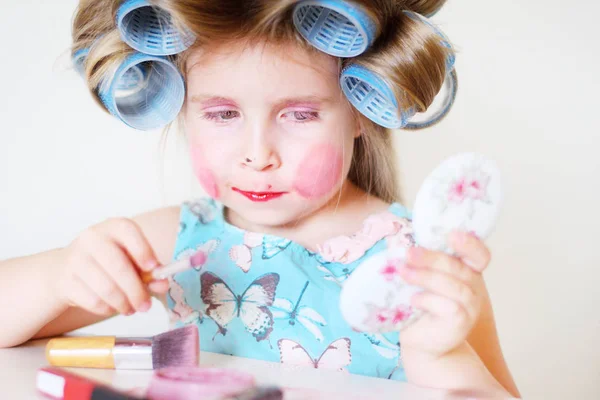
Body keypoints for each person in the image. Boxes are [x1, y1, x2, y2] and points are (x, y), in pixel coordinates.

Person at [0, 0, 519, 397]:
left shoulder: (423, 267)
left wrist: (440, 353)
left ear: (364, 108)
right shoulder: (184, 241)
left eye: (299, 113)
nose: (258, 155)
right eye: (223, 114)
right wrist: (64, 274)